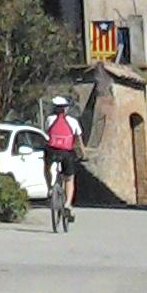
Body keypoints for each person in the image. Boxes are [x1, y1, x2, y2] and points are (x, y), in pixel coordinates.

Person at [42, 96, 83, 224]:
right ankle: (68, 204)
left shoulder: (49, 119)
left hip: (52, 150)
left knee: (47, 167)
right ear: (66, 109)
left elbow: (47, 134)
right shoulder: (73, 121)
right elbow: (78, 141)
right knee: (69, 178)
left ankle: (50, 188)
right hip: (66, 152)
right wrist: (83, 153)